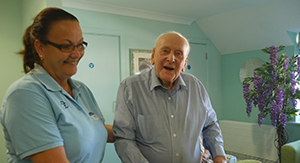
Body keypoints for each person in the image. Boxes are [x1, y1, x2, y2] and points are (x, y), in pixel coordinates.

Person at [0, 7, 115, 163]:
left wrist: (143, 131)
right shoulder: (25, 93)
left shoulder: (81, 90)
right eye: (66, 46)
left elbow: (93, 130)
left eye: (80, 45)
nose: (76, 54)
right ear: (40, 47)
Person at [113, 31, 227, 163]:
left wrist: (219, 155)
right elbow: (124, 139)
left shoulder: (196, 87)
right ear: (153, 56)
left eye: (178, 54)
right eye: (165, 51)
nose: (171, 58)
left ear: (184, 63)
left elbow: (211, 125)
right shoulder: (130, 88)